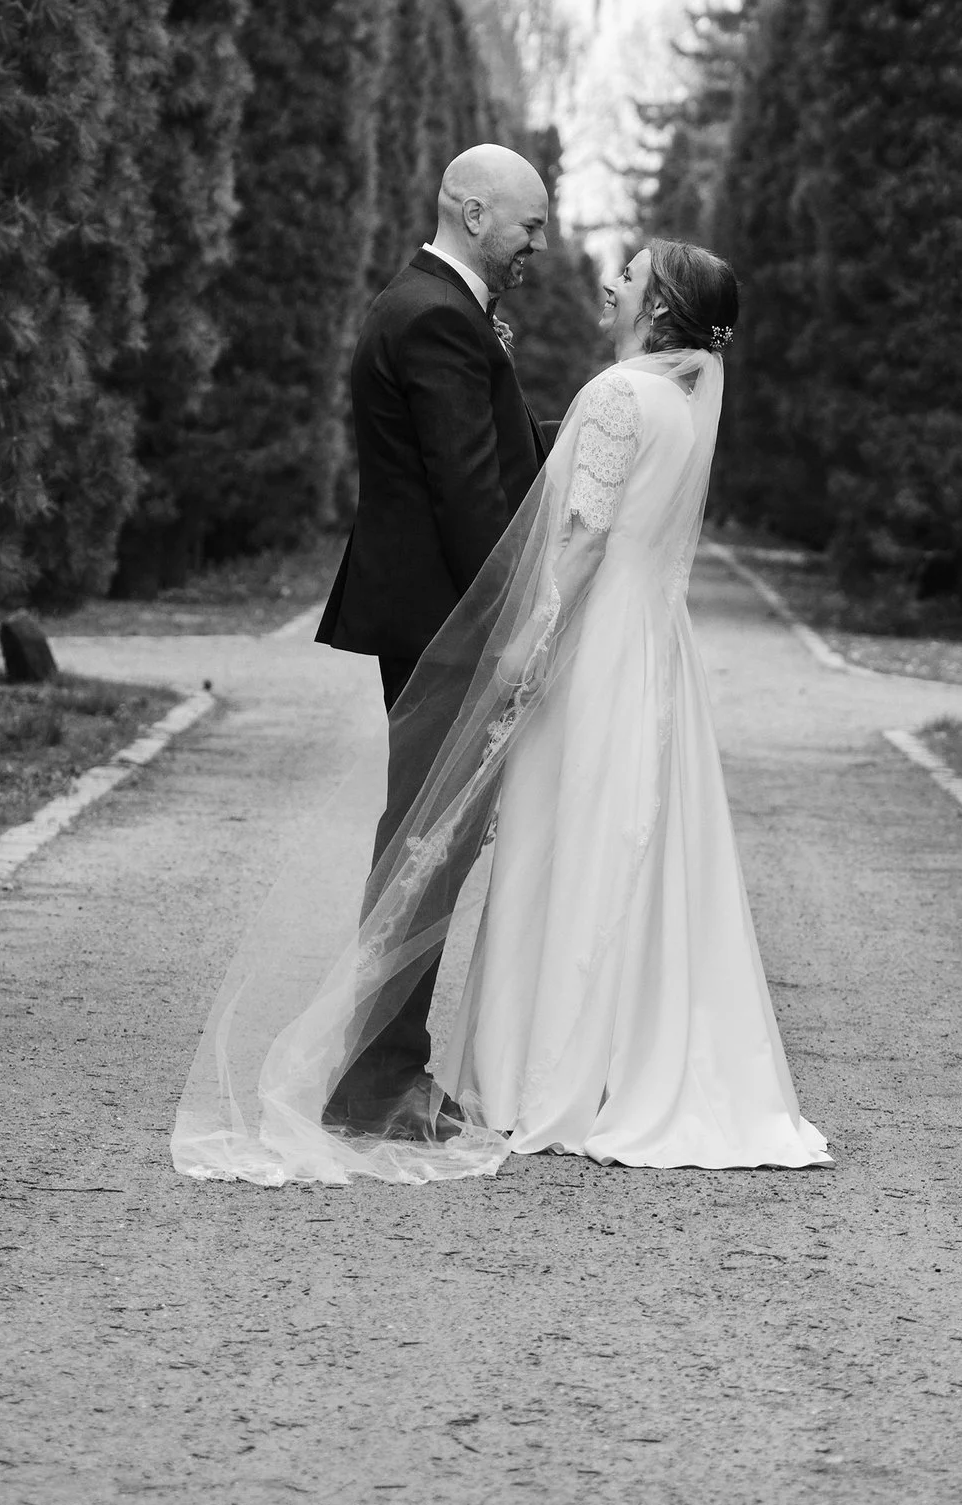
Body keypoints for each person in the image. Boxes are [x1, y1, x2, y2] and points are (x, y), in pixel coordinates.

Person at [172, 236, 828, 1183]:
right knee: (634, 846)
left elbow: (582, 538)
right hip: (652, 650)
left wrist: (525, 639)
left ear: (658, 307)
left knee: (561, 839)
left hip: (596, 646)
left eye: (629, 275)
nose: (610, 280)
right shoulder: (683, 401)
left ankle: (540, 1069)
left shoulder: (615, 397)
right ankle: (617, 1061)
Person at [310, 141, 553, 1136]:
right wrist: (518, 621)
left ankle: (380, 1069)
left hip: (433, 615)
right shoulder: (438, 318)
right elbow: (466, 496)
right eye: (529, 223)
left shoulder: (433, 307)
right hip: (448, 623)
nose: (540, 242)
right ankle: (375, 1081)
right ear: (472, 210)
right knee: (427, 843)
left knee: (427, 837)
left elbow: (489, 449)